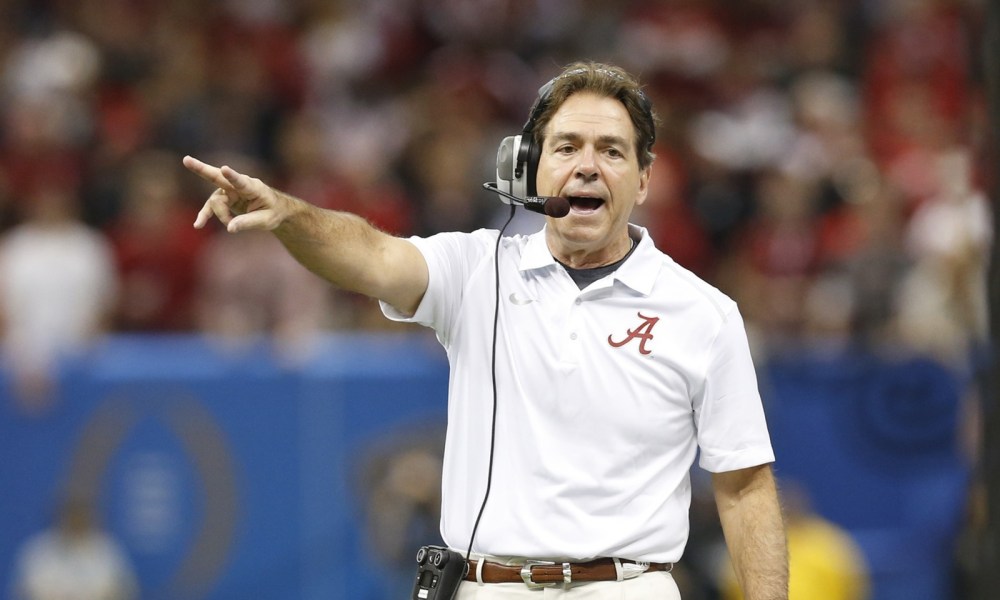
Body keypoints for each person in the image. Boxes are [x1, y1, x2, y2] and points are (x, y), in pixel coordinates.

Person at [185, 61, 788, 599]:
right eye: (566, 146)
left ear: (644, 178)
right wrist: (290, 214)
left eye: (611, 150)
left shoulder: (704, 313)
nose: (586, 166)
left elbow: (744, 486)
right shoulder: (475, 268)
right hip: (484, 586)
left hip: (628, 587)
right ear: (527, 168)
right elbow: (370, 256)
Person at [10, 496, 139, 600]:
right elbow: (25, 591)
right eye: (71, 516)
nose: (76, 521)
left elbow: (124, 590)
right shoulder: (38, 549)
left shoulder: (107, 548)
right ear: (60, 518)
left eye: (81, 516)